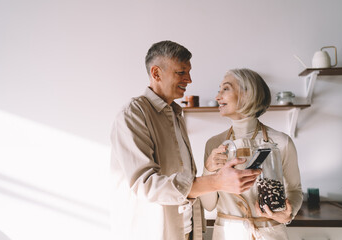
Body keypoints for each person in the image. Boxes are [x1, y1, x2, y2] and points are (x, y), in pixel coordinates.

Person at [110, 41, 261, 240]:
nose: (189, 79)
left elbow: (183, 178)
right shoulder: (133, 114)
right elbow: (145, 184)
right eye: (181, 72)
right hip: (154, 233)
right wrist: (216, 181)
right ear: (156, 73)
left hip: (187, 230)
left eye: (188, 72)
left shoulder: (175, 114)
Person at [200, 68, 303, 240]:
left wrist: (287, 214)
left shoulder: (282, 142)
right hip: (227, 234)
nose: (218, 97)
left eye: (225, 89)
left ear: (249, 94)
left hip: (271, 233)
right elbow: (208, 205)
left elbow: (295, 190)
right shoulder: (214, 145)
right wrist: (208, 169)